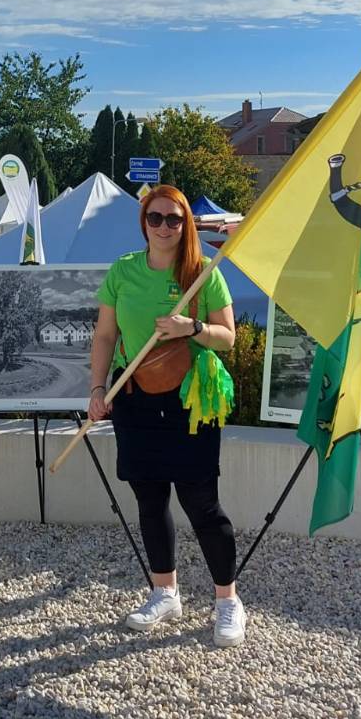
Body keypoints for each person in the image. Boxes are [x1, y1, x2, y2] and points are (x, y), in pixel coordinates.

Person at [88, 185, 245, 648]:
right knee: (150, 500)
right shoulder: (123, 270)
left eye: (174, 219)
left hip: (190, 401)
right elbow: (105, 336)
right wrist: (97, 389)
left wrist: (190, 327)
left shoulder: (203, 272)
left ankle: (227, 600)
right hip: (134, 397)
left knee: (202, 503)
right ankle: (165, 592)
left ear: (186, 224)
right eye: (155, 218)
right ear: (144, 223)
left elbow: (228, 337)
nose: (164, 227)